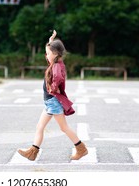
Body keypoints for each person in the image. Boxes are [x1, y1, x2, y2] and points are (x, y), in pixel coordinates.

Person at [17, 30, 88, 161]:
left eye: (48, 53)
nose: (46, 55)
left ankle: (81, 149)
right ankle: (32, 152)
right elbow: (54, 57)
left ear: (55, 54)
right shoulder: (56, 62)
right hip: (50, 102)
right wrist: (51, 41)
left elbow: (59, 77)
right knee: (40, 127)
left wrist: (53, 88)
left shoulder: (56, 66)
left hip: (53, 101)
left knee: (64, 127)